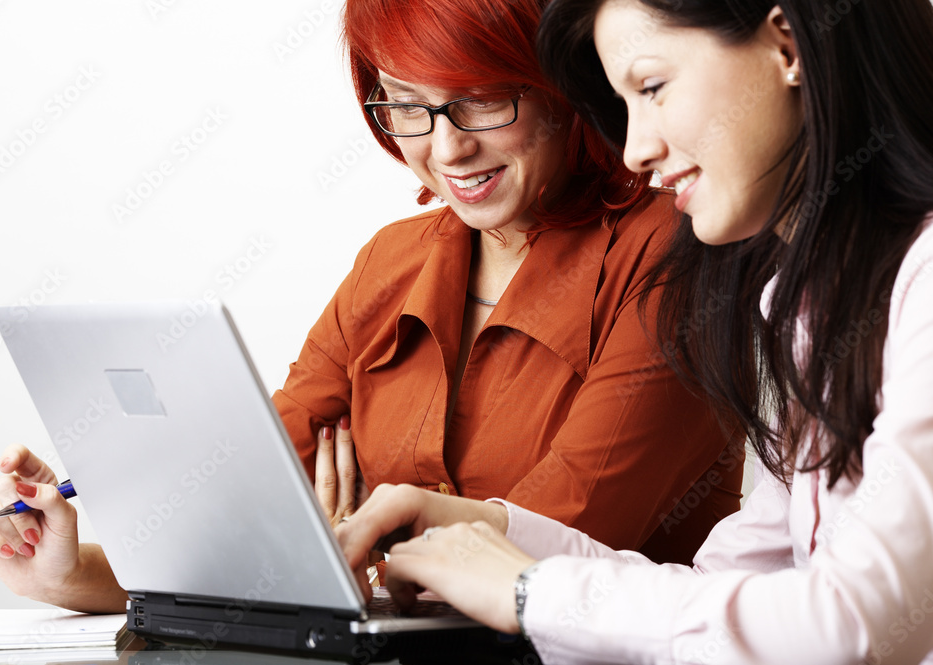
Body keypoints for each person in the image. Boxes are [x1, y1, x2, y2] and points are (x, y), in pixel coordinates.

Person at [0, 0, 743, 613]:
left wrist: (343, 558)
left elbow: (556, 545)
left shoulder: (674, 249)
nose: (447, 149)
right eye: (407, 105)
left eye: (482, 102)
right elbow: (240, 506)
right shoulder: (391, 261)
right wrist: (67, 572)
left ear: (564, 91)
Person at [334, 0, 933, 664]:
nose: (636, 149)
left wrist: (528, 589)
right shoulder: (817, 312)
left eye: (652, 87)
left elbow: (859, 624)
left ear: (788, 46)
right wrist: (491, 528)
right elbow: (722, 591)